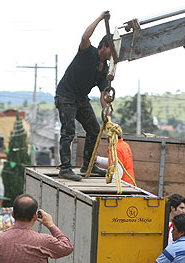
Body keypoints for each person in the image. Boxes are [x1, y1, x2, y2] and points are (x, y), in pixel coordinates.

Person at [55, 11, 111, 181]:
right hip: (66, 96)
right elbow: (85, 36)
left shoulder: (105, 68)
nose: (112, 54)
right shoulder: (88, 52)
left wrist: (106, 110)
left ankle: (88, 165)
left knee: (94, 129)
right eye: (111, 50)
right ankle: (65, 168)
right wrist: (101, 18)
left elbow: (103, 93)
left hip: (80, 99)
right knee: (68, 132)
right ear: (103, 47)